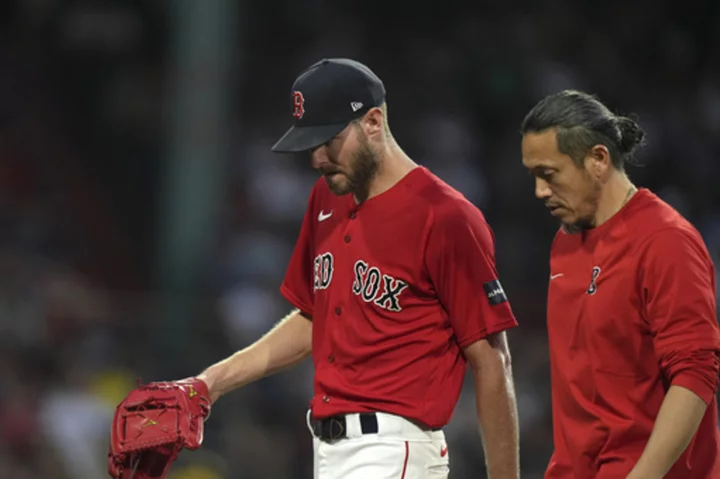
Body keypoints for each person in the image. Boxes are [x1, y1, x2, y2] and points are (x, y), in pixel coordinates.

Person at [195, 58, 521, 478]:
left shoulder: (445, 217)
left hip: (395, 447)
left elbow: (493, 360)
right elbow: (315, 317)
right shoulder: (326, 198)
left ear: (372, 121)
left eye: (327, 140)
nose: (316, 158)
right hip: (328, 451)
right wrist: (211, 382)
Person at [520, 89, 720, 479]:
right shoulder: (564, 243)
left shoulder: (665, 240)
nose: (540, 191)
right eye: (534, 176)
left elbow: (696, 373)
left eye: (549, 174)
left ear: (598, 159)